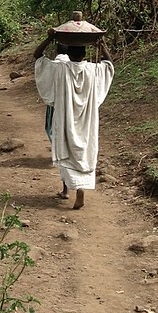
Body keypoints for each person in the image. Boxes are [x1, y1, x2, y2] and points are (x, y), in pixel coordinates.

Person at [34, 28, 114, 209]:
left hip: (66, 119)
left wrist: (49, 39)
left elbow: (38, 56)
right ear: (85, 53)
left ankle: (68, 189)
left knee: (67, 151)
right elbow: (108, 64)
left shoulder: (60, 69)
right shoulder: (93, 71)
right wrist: (102, 46)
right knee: (84, 151)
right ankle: (80, 192)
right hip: (86, 121)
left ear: (67, 53)